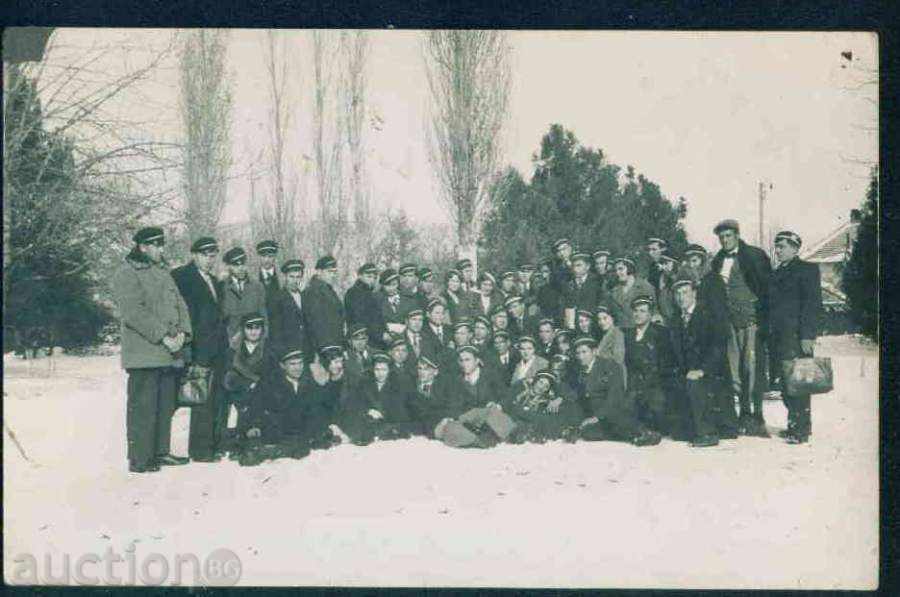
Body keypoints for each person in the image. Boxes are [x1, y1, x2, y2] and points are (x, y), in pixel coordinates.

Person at [113, 227, 193, 473]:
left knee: (164, 405)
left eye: (162, 245)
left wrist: (183, 333)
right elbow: (133, 312)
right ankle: (140, 458)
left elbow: (179, 304)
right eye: (156, 245)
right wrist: (163, 337)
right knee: (143, 408)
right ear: (142, 247)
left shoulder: (162, 271)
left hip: (167, 352)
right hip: (144, 353)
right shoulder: (127, 273)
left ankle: (160, 452)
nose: (161, 249)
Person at [709, 219, 772, 437]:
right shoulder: (717, 260)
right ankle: (742, 414)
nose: (725, 240)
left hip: (751, 322)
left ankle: (757, 416)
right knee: (734, 370)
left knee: (752, 368)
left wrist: (762, 314)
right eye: (721, 237)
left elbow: (766, 287)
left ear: (737, 235)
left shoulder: (754, 255)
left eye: (728, 236)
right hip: (729, 324)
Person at [171, 236, 227, 463]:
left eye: (213, 255)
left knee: (215, 397)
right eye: (205, 255)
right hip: (197, 346)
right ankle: (201, 450)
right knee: (200, 398)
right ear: (194, 255)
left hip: (217, 347)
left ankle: (212, 445)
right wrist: (188, 346)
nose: (209, 259)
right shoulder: (181, 277)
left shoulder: (214, 280)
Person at [238, 347, 335, 466]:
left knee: (311, 443)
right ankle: (267, 450)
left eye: (300, 363)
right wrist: (254, 425)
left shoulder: (308, 383)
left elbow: (318, 407)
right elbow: (256, 406)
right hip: (278, 430)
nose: (297, 368)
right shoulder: (271, 384)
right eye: (292, 364)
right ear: (283, 366)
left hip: (300, 431)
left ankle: (276, 450)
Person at [768, 231, 822, 444]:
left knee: (798, 383)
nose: (778, 250)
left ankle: (800, 429)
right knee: (785, 384)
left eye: (782, 246)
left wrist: (807, 336)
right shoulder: (777, 273)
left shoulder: (807, 270)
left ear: (795, 248)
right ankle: (795, 425)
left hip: (797, 338)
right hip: (779, 338)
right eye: (777, 246)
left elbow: (812, 305)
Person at [669, 278, 733, 447]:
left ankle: (707, 432)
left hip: (712, 372)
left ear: (694, 294)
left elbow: (718, 348)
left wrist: (702, 370)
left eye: (685, 292)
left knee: (694, 383)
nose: (681, 297)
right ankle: (689, 427)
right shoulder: (676, 319)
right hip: (688, 372)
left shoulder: (708, 315)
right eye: (677, 293)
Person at [573, 336, 659, 446]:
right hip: (596, 414)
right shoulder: (579, 370)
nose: (580, 357)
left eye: (584, 352)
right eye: (578, 353)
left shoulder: (609, 366)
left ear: (594, 351)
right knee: (588, 433)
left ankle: (643, 433)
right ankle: (631, 435)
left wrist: (598, 416)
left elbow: (615, 395)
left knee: (615, 419)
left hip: (613, 410)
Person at [433, 345, 517, 448]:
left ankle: (508, 438)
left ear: (477, 361)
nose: (464, 364)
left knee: (493, 414)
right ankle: (478, 442)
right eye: (461, 361)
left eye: (467, 360)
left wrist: (498, 405)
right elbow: (452, 406)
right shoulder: (455, 381)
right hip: (467, 422)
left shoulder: (491, 376)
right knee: (450, 428)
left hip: (489, 418)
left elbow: (506, 396)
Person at [624, 297, 681, 437]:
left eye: (642, 311)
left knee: (657, 412)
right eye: (635, 311)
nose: (638, 314)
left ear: (650, 315)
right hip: (635, 385)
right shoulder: (628, 335)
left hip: (656, 384)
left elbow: (667, 362)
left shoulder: (661, 333)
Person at [221, 313, 275, 454]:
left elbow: (271, 373)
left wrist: (257, 384)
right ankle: (239, 440)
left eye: (257, 328)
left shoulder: (268, 348)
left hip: (261, 391)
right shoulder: (234, 349)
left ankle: (256, 437)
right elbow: (229, 375)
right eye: (249, 327)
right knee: (241, 402)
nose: (253, 331)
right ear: (243, 329)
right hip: (239, 391)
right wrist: (247, 384)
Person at [339, 352, 420, 444]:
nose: (380, 373)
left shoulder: (397, 386)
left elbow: (401, 412)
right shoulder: (364, 385)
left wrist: (382, 414)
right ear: (372, 370)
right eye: (377, 369)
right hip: (367, 425)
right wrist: (368, 411)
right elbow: (354, 404)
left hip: (390, 426)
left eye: (384, 370)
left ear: (389, 370)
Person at [504, 371, 583, 444]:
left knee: (538, 419)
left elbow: (571, 396)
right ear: (535, 381)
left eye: (546, 386)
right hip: (507, 420)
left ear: (548, 389)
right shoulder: (520, 389)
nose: (541, 387)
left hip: (521, 425)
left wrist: (560, 398)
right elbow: (507, 403)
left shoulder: (544, 401)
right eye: (540, 382)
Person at [221, 247, 268, 339]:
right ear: (229, 266)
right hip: (231, 342)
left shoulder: (257, 287)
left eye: (243, 264)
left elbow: (264, 317)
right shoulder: (222, 288)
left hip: (255, 341)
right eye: (236, 265)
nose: (241, 268)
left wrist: (263, 338)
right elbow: (221, 320)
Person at [302, 255, 346, 353]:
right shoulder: (313, 292)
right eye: (329, 271)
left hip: (334, 343)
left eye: (334, 272)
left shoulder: (328, 290)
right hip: (324, 346)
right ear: (319, 272)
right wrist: (325, 348)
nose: (333, 275)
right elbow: (316, 323)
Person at [268, 259, 310, 357]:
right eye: (291, 277)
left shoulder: (305, 297)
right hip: (287, 353)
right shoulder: (277, 299)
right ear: (285, 277)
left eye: (298, 277)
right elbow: (275, 331)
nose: (295, 281)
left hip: (305, 352)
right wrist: (282, 355)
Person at [344, 262, 385, 349]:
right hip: (363, 339)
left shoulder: (370, 293)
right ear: (360, 276)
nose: (372, 280)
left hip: (373, 338)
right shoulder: (354, 293)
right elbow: (360, 319)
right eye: (368, 276)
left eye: (374, 278)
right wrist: (380, 335)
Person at [607, 257, 655, 330]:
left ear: (630, 269)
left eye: (621, 269)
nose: (617, 273)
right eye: (616, 270)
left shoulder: (644, 288)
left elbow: (653, 312)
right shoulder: (614, 291)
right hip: (621, 332)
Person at [564, 252, 606, 329]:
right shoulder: (569, 284)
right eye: (573, 266)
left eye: (579, 265)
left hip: (593, 324)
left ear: (588, 266)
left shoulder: (598, 282)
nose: (575, 269)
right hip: (574, 325)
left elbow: (601, 303)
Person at [378, 268, 414, 340]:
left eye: (394, 284)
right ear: (382, 286)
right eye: (388, 285)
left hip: (406, 339)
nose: (391, 288)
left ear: (398, 284)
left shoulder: (409, 299)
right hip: (386, 340)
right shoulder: (378, 301)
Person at [595, 305, 626, 374]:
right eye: (599, 319)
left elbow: (618, 359)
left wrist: (597, 355)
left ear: (612, 318)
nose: (602, 322)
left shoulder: (617, 334)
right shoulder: (605, 334)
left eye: (605, 318)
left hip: (615, 375)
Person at [535, 258, 563, 324]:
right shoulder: (542, 289)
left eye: (546, 271)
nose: (543, 275)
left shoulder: (559, 287)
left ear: (552, 271)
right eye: (541, 272)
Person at [256, 239, 281, 312]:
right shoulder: (252, 278)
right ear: (259, 257)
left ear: (275, 257)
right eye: (263, 256)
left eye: (270, 256)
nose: (266, 260)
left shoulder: (282, 278)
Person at [655, 253, 679, 325]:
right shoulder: (659, 278)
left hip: (675, 318)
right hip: (663, 317)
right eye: (662, 263)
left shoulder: (677, 278)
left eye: (667, 263)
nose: (664, 266)